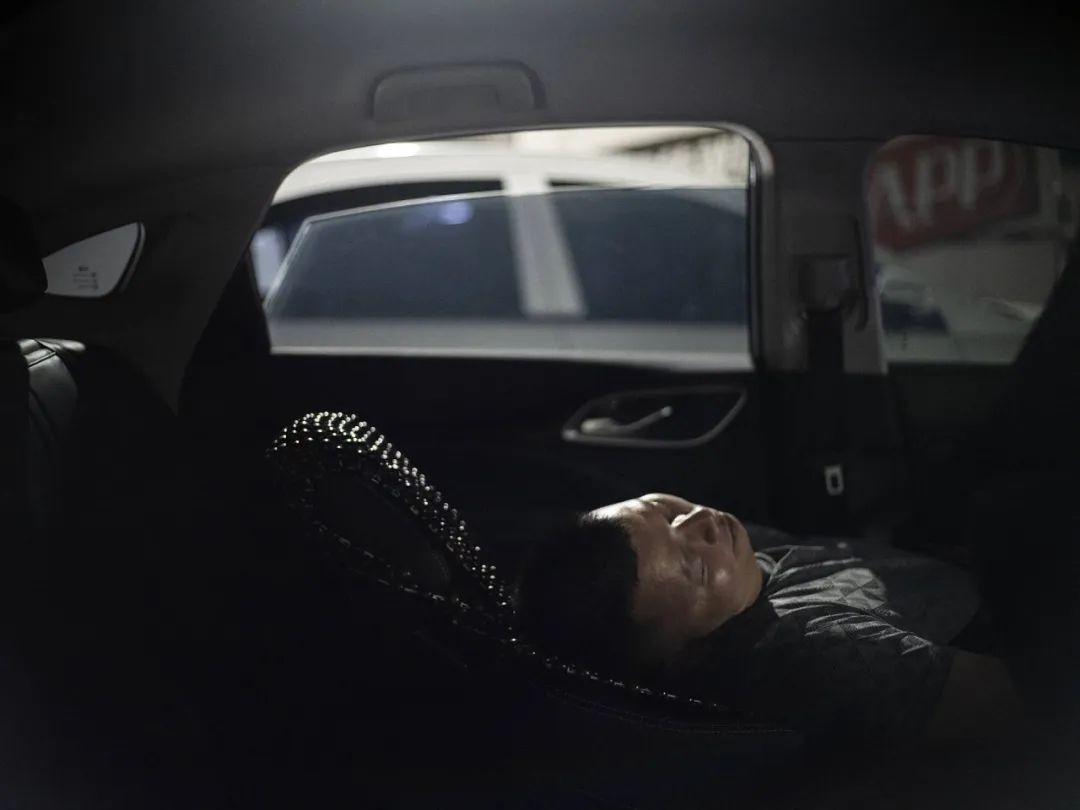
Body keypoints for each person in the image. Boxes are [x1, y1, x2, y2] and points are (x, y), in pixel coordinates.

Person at [514, 493, 1024, 742]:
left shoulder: (735, 574)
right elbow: (1022, 703)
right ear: (683, 656)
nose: (701, 521)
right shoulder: (814, 649)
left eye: (666, 512)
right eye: (694, 568)